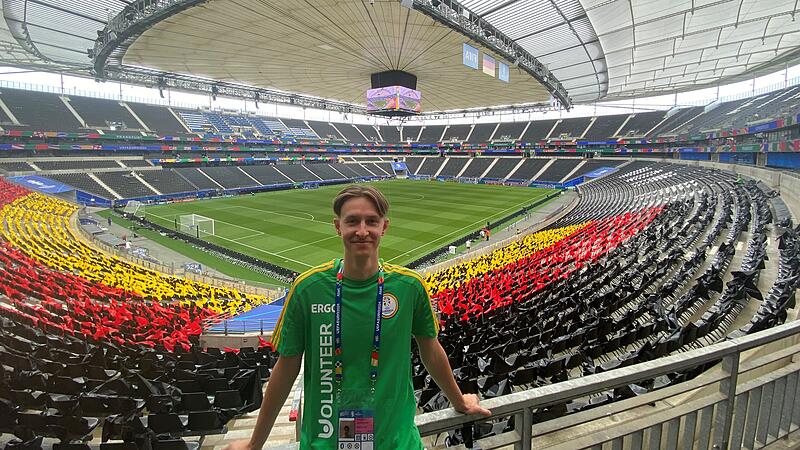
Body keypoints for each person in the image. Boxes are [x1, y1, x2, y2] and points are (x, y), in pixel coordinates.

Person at [224, 185, 489, 450]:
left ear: (384, 227)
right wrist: (255, 444)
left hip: (397, 443)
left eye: (371, 221)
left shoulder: (409, 287)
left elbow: (431, 352)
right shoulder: (308, 288)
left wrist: (459, 401)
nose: (362, 231)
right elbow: (287, 367)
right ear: (338, 226)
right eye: (352, 221)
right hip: (325, 443)